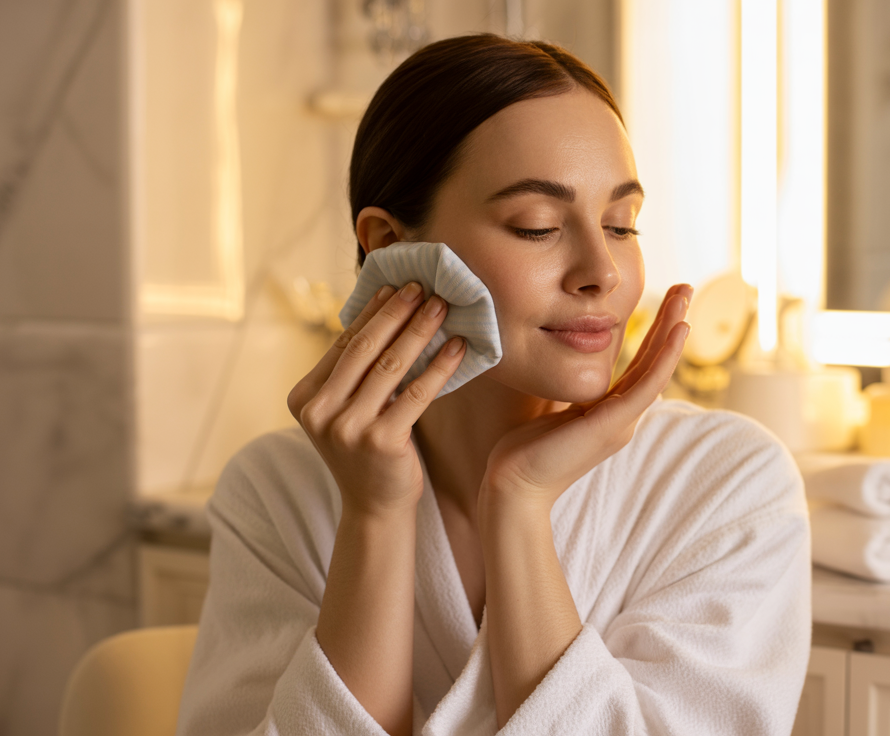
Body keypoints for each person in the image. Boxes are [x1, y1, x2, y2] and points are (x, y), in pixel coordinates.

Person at [175, 34, 811, 736]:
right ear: (390, 245)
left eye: (621, 224)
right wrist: (375, 516)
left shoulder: (724, 484)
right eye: (536, 227)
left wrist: (521, 500)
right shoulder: (278, 493)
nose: (601, 270)